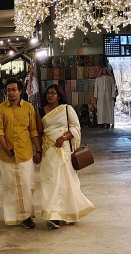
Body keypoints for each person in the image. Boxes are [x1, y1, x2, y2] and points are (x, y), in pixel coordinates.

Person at [40, 85, 95, 228]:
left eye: (53, 93)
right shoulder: (41, 111)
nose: (50, 95)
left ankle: (68, 213)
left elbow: (75, 128)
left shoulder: (66, 109)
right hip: (49, 150)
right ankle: (53, 215)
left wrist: (63, 137)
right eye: (48, 93)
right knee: (51, 182)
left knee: (66, 182)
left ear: (58, 95)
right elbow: (40, 132)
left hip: (63, 149)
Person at [0, 78, 42, 229]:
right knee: (10, 186)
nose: (11, 93)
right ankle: (14, 216)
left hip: (25, 154)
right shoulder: (0, 109)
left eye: (14, 90)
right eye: (8, 90)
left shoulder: (28, 108)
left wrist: (38, 150)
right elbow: (0, 131)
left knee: (27, 185)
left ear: (20, 91)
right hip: (7, 156)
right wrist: (6, 147)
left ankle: (26, 215)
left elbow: (33, 131)